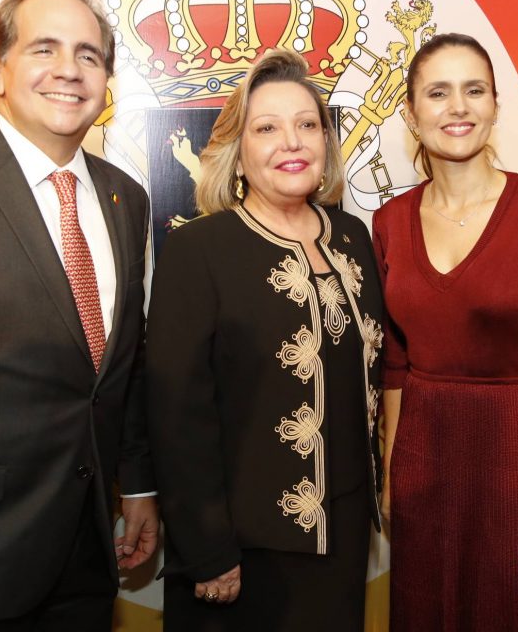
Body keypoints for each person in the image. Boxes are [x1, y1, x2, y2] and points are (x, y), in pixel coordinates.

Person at [372, 33, 518, 632]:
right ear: (410, 113)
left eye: (474, 90)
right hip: (424, 467)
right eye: (438, 92)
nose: (458, 107)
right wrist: (395, 470)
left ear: (495, 105)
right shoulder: (390, 222)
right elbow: (394, 365)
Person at [146, 49, 384, 631]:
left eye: (307, 124)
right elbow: (176, 414)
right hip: (240, 557)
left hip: (343, 543)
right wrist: (208, 551)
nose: (292, 142)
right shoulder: (198, 249)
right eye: (267, 128)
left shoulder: (352, 236)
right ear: (238, 151)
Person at [0, 0, 159, 630]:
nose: (69, 70)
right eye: (44, 48)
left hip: (91, 552)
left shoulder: (128, 198)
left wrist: (140, 484)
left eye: (88, 55)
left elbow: (117, 366)